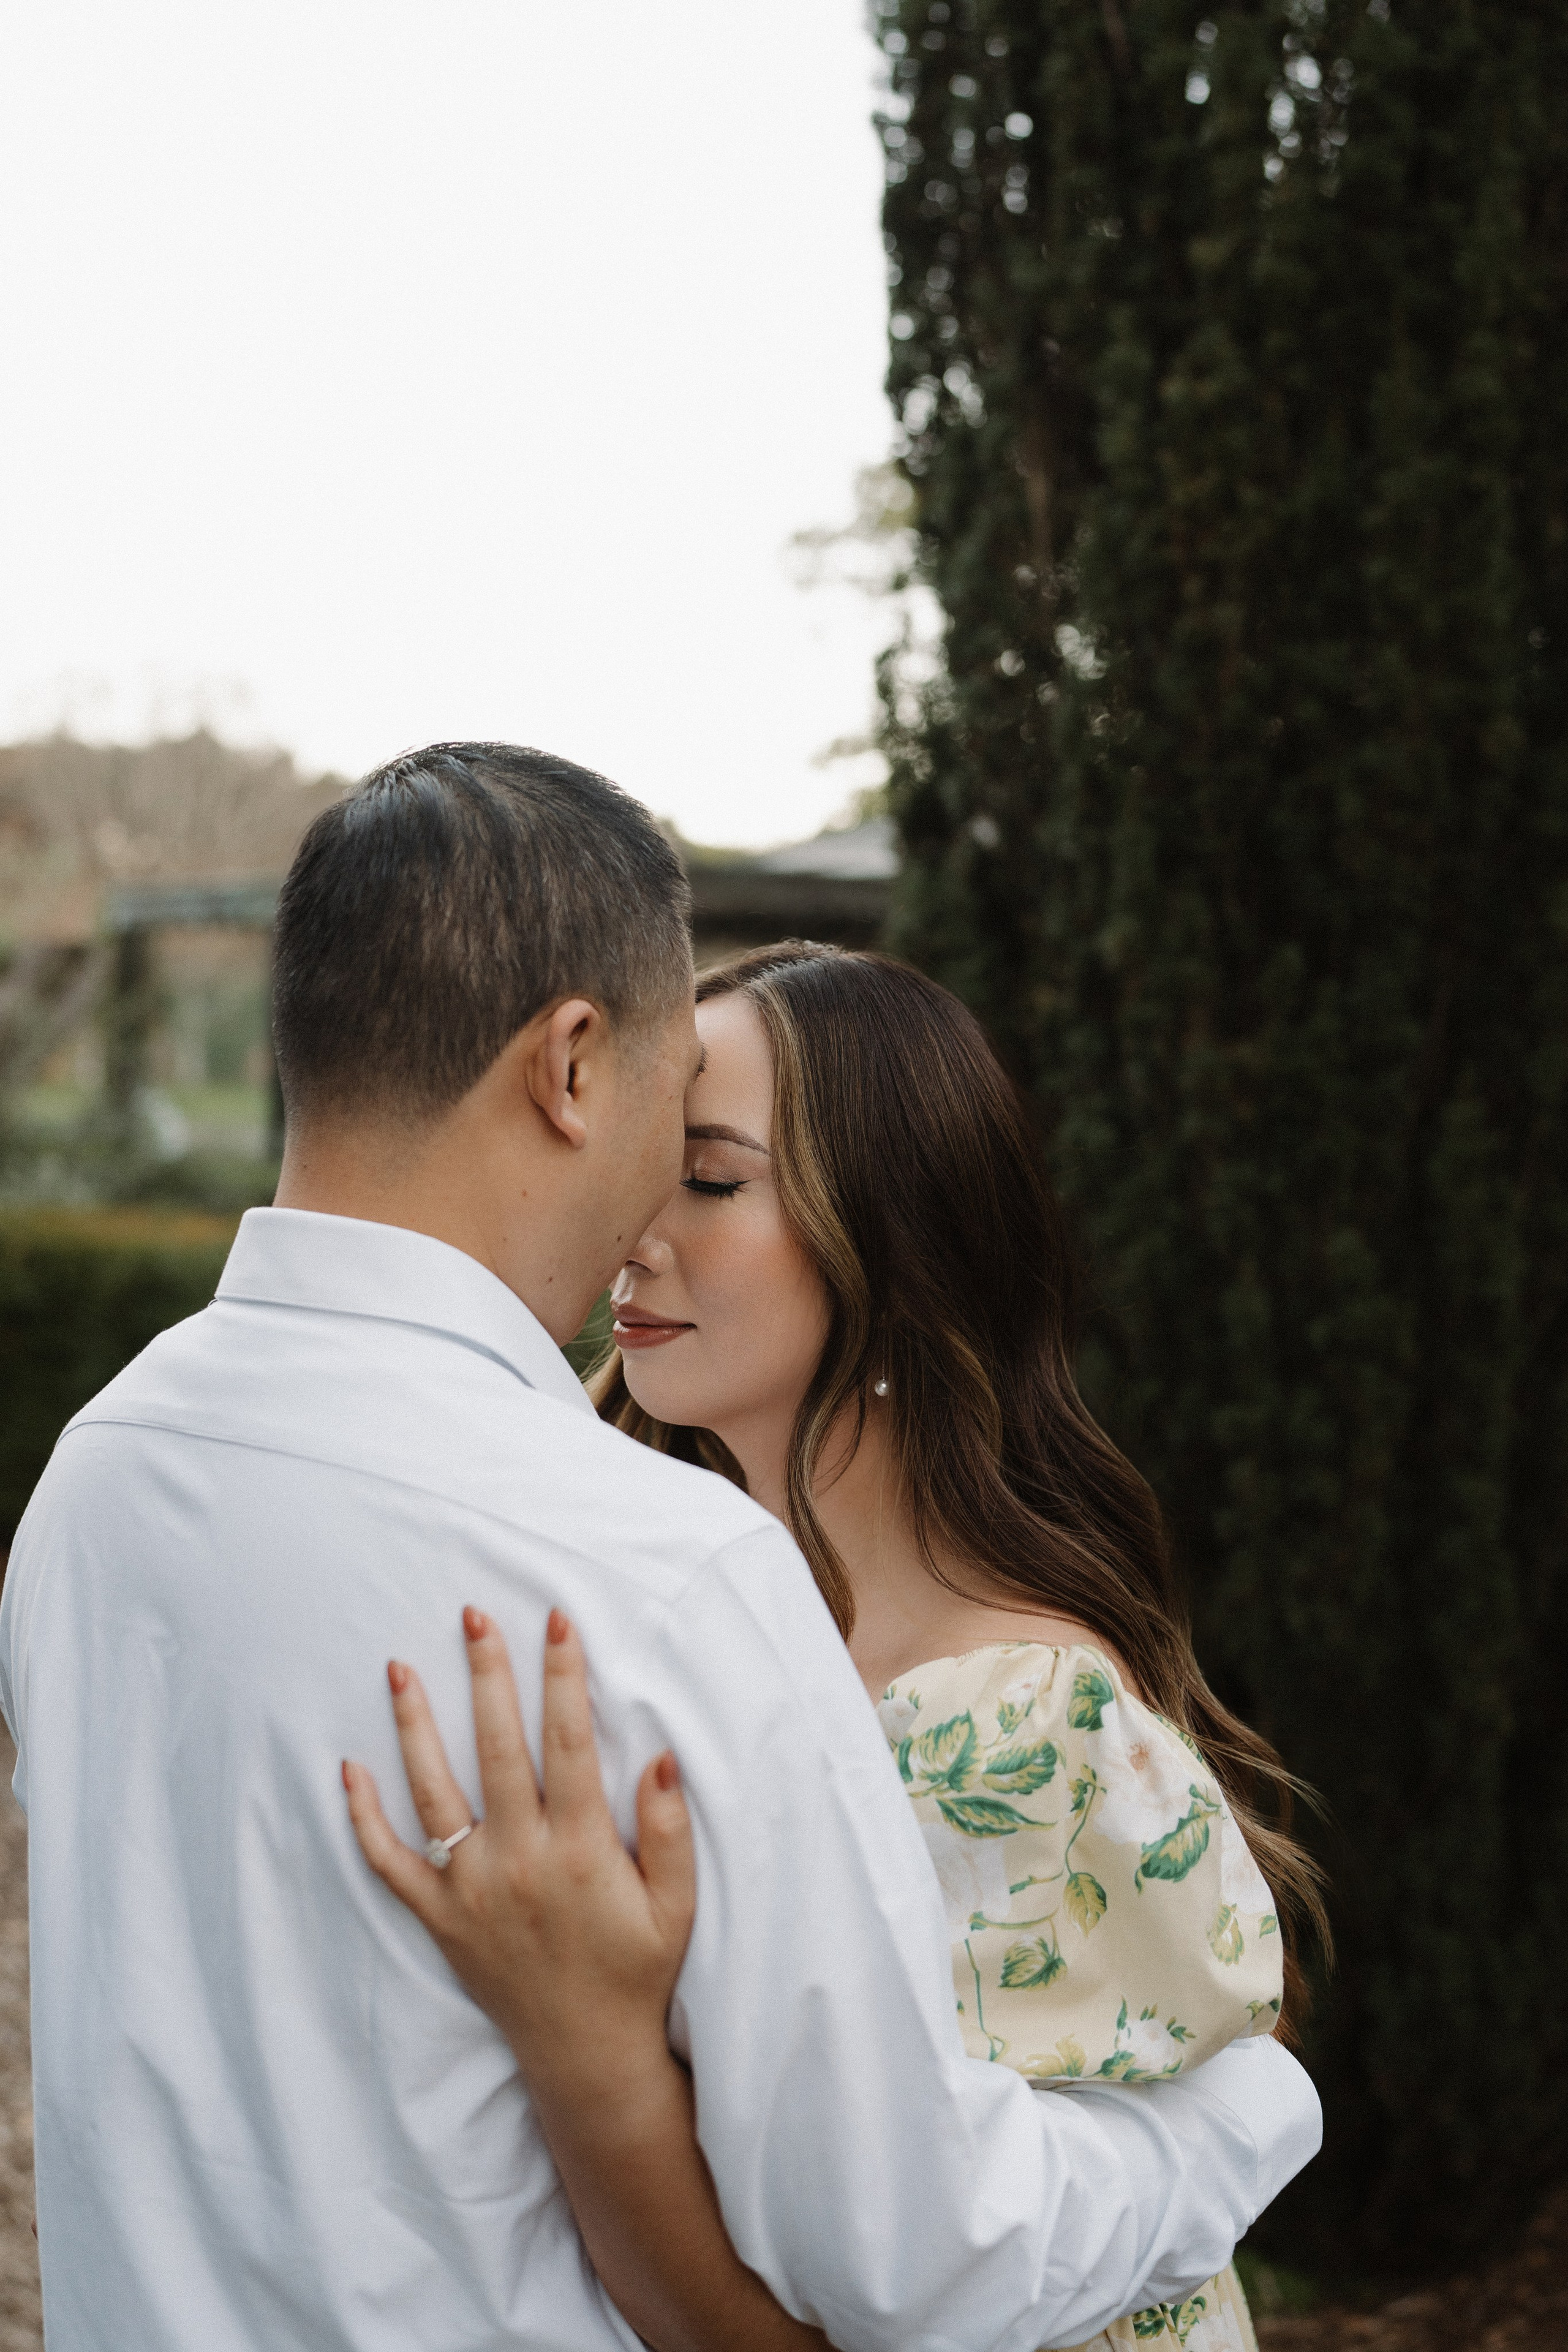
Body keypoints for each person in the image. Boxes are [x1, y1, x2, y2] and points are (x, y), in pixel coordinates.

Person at [0, 746, 1319, 2352]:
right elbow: (915, 2262)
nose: (648, 1223)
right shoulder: (657, 1572)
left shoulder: (95, 1480)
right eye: (668, 1136)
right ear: (571, 1065)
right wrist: (1235, 2124)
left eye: (719, 1174)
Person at [347, 940, 1330, 2352]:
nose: (638, 1232)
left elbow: (959, 2273)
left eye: (712, 1176)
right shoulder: (630, 1619)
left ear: (894, 1235)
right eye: (640, 1171)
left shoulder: (1021, 1723)